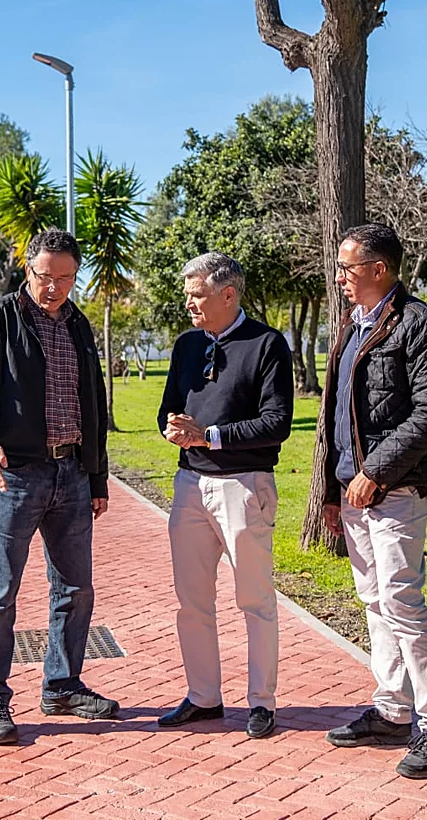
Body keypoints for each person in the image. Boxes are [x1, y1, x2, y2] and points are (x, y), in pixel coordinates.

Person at [0, 227, 118, 746]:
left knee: (75, 588)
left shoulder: (78, 324)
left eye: (66, 278)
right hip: (15, 477)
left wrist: (97, 475)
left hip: (71, 475)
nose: (55, 288)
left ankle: (63, 685)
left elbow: (93, 402)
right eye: (46, 277)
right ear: (29, 270)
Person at [319, 223, 427, 779]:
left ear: (379, 270)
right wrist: (335, 491)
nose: (340, 278)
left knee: (403, 602)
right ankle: (392, 709)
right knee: (375, 602)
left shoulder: (419, 325)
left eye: (347, 268)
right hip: (355, 494)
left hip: (396, 490)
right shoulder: (354, 328)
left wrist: (375, 473)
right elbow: (338, 418)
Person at [155, 252, 293, 740]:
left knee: (254, 599)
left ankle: (262, 703)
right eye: (188, 294)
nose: (189, 303)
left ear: (228, 294)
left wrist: (208, 436)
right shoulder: (186, 344)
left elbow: (277, 423)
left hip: (243, 485)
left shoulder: (267, 345)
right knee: (191, 601)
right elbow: (169, 407)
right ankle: (203, 697)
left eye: (198, 295)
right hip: (189, 484)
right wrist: (173, 429)